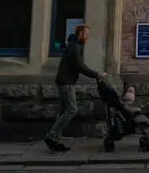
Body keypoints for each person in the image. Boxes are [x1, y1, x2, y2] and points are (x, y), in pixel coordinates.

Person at [44, 24, 106, 152]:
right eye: (86, 34)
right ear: (81, 33)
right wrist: (97, 75)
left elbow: (78, 65)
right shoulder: (75, 47)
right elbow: (80, 66)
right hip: (66, 83)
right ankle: (51, 136)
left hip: (63, 81)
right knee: (72, 109)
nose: (88, 36)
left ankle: (54, 139)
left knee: (62, 111)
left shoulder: (74, 45)